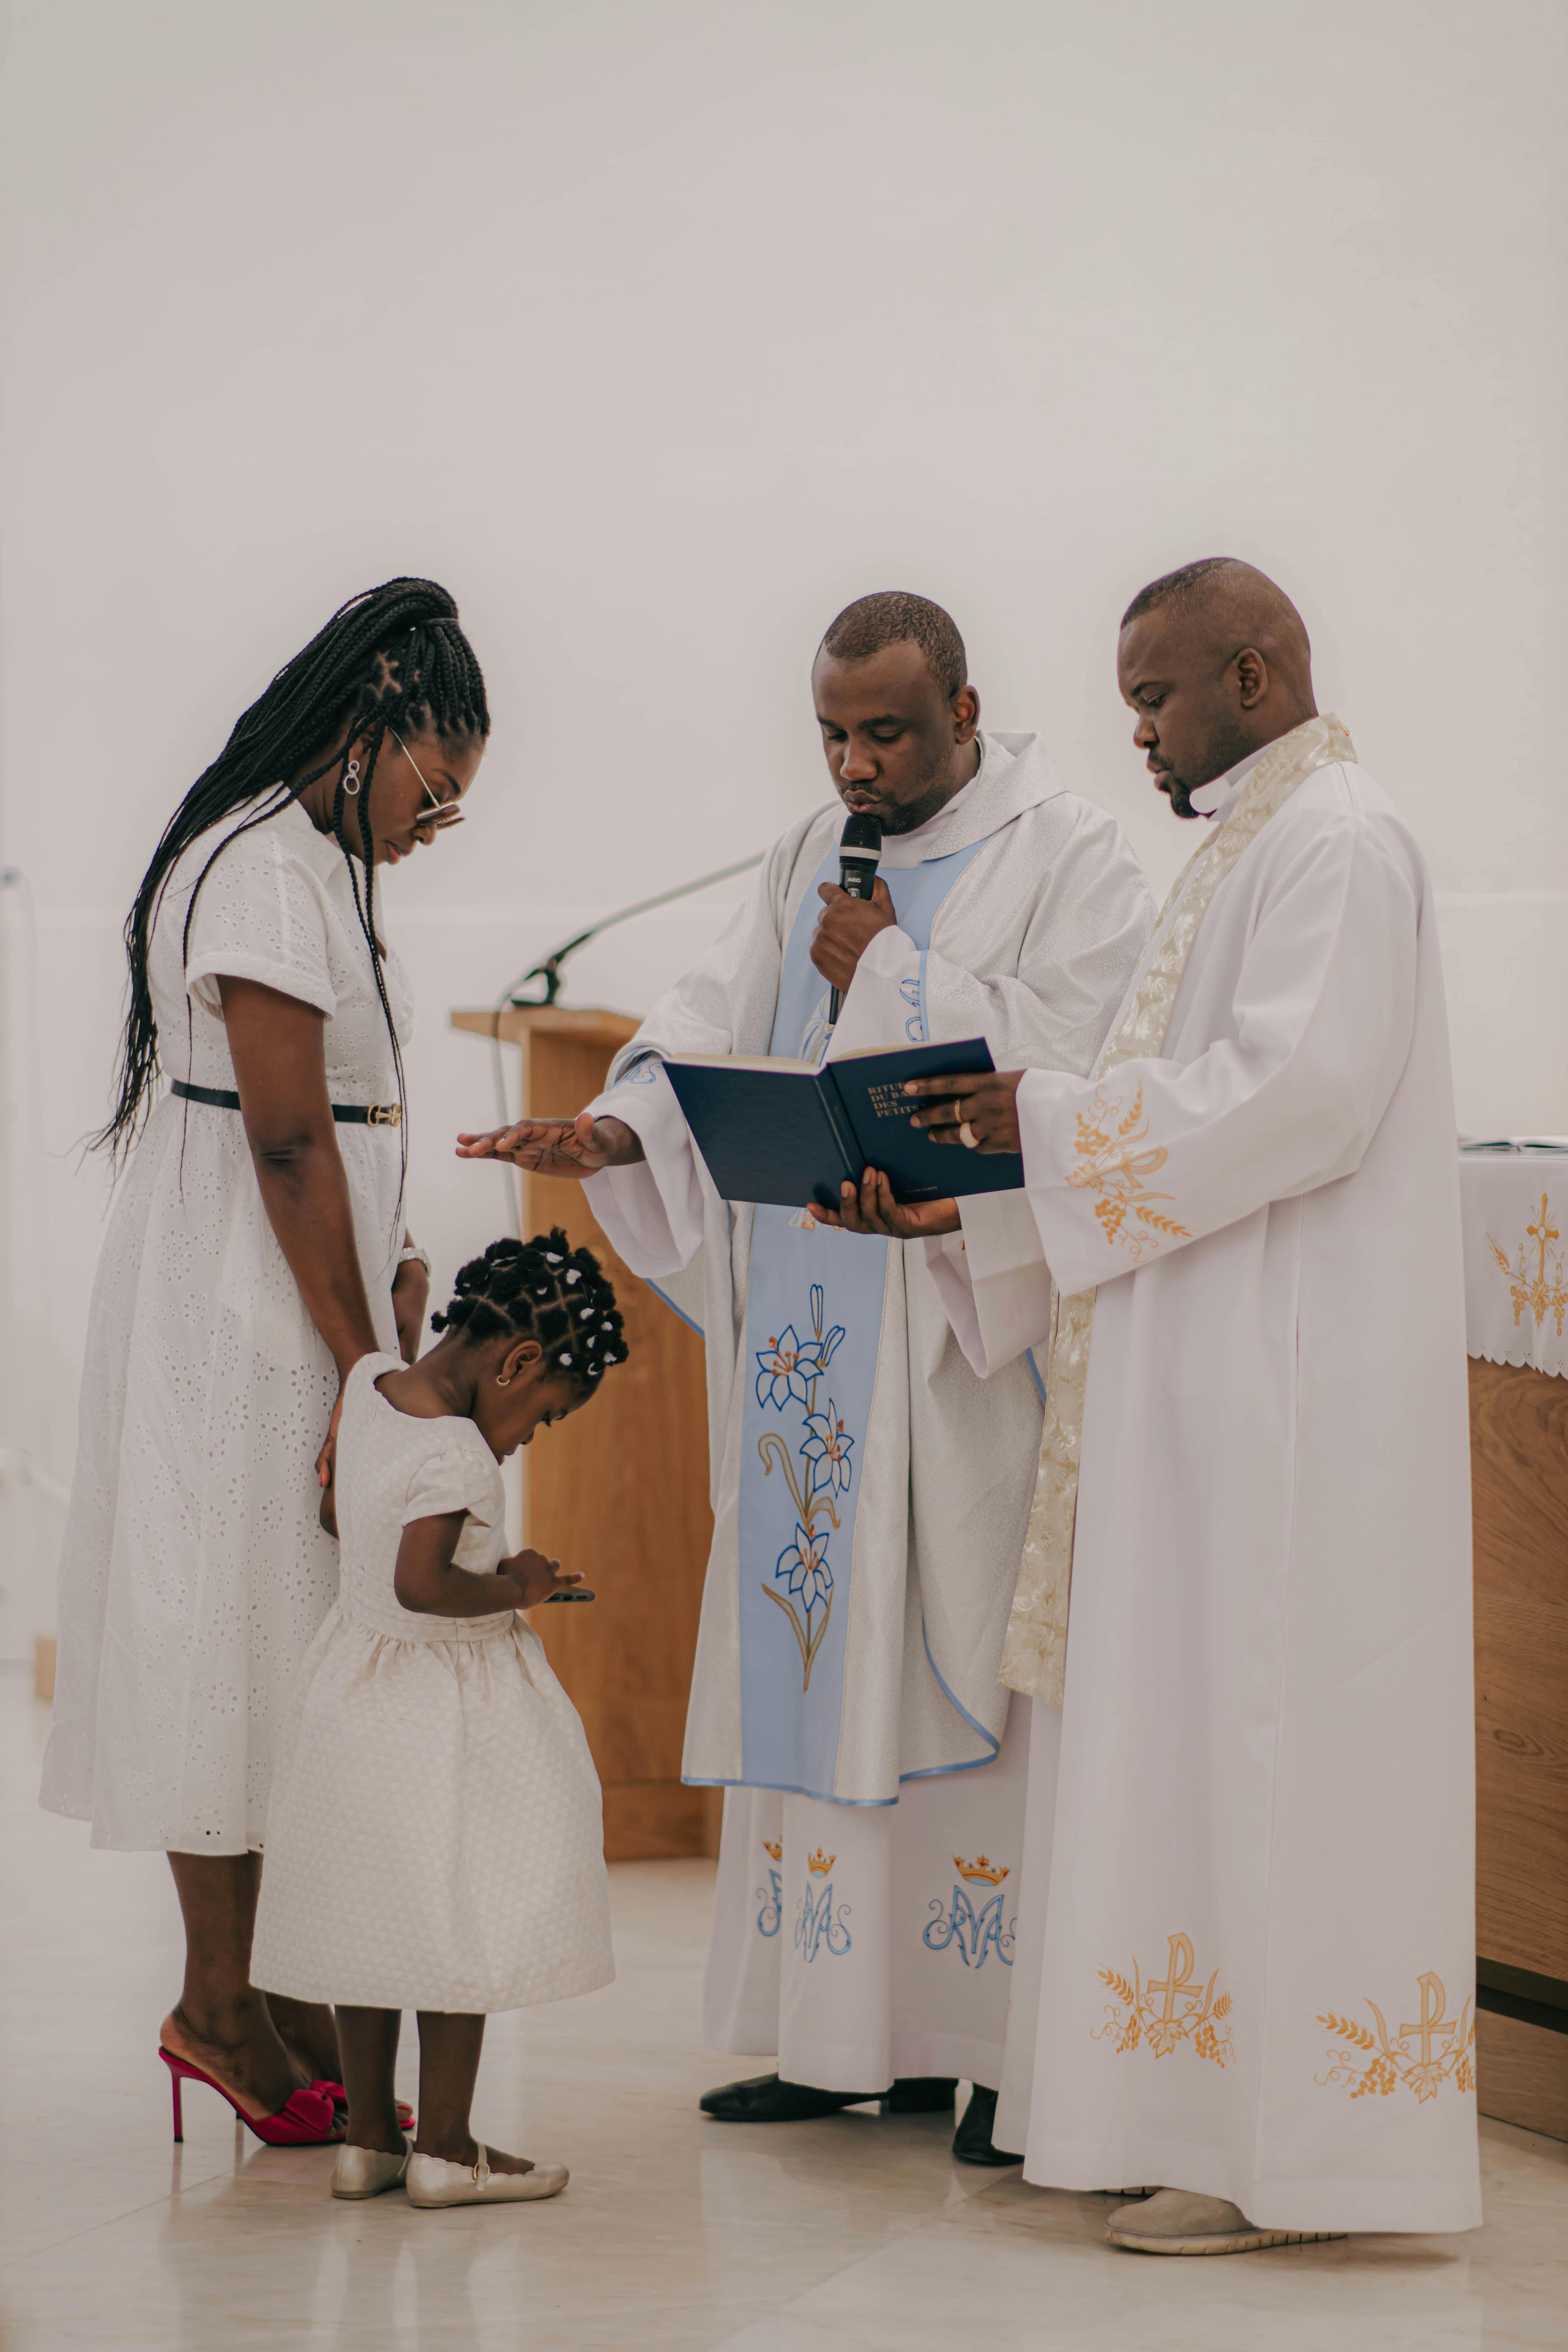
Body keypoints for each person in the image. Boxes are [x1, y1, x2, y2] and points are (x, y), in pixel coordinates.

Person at [828, 557, 1480, 2250]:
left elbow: (1297, 1096)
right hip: (1202, 1372)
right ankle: (1189, 2114)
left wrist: (1034, 1118)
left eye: (1154, 697)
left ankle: (1289, 2153)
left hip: (1287, 1395)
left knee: (1268, 1747)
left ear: (1252, 680)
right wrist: (978, 1184)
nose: (1133, 731)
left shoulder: (1334, 840)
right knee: (1197, 1744)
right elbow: (1159, 1104)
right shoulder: (1252, 845)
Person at [456, 591, 1155, 2162]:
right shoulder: (802, 856)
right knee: (812, 1642)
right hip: (811, 1335)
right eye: (833, 734)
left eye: (886, 733)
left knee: (957, 1657)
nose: (854, 763)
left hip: (959, 1334)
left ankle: (983, 2050)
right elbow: (710, 1018)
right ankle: (840, 2039)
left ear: (964, 714)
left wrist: (898, 969)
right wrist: (625, 1127)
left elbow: (1086, 1068)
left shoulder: (1072, 855)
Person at [41, 579, 490, 2144]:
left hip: (296, 1298)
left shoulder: (309, 870)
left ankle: (280, 1987)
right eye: (440, 785)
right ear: (373, 727)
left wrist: (397, 1271)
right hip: (247, 1317)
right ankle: (220, 2004)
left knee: (296, 1648)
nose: (444, 822)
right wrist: (371, 1377)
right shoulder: (261, 876)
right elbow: (290, 1141)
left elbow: (344, 1132)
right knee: (234, 1642)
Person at [250, 1233, 625, 2207]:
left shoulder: (371, 1386)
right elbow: (422, 1586)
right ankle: (447, 2150)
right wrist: (518, 1585)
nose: (526, 1439)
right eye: (541, 1419)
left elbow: (339, 1524)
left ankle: (369, 2140)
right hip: (440, 1711)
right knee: (462, 1916)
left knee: (369, 1922)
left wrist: (406, 1298)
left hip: (350, 1696)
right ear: (518, 1364)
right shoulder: (460, 1456)